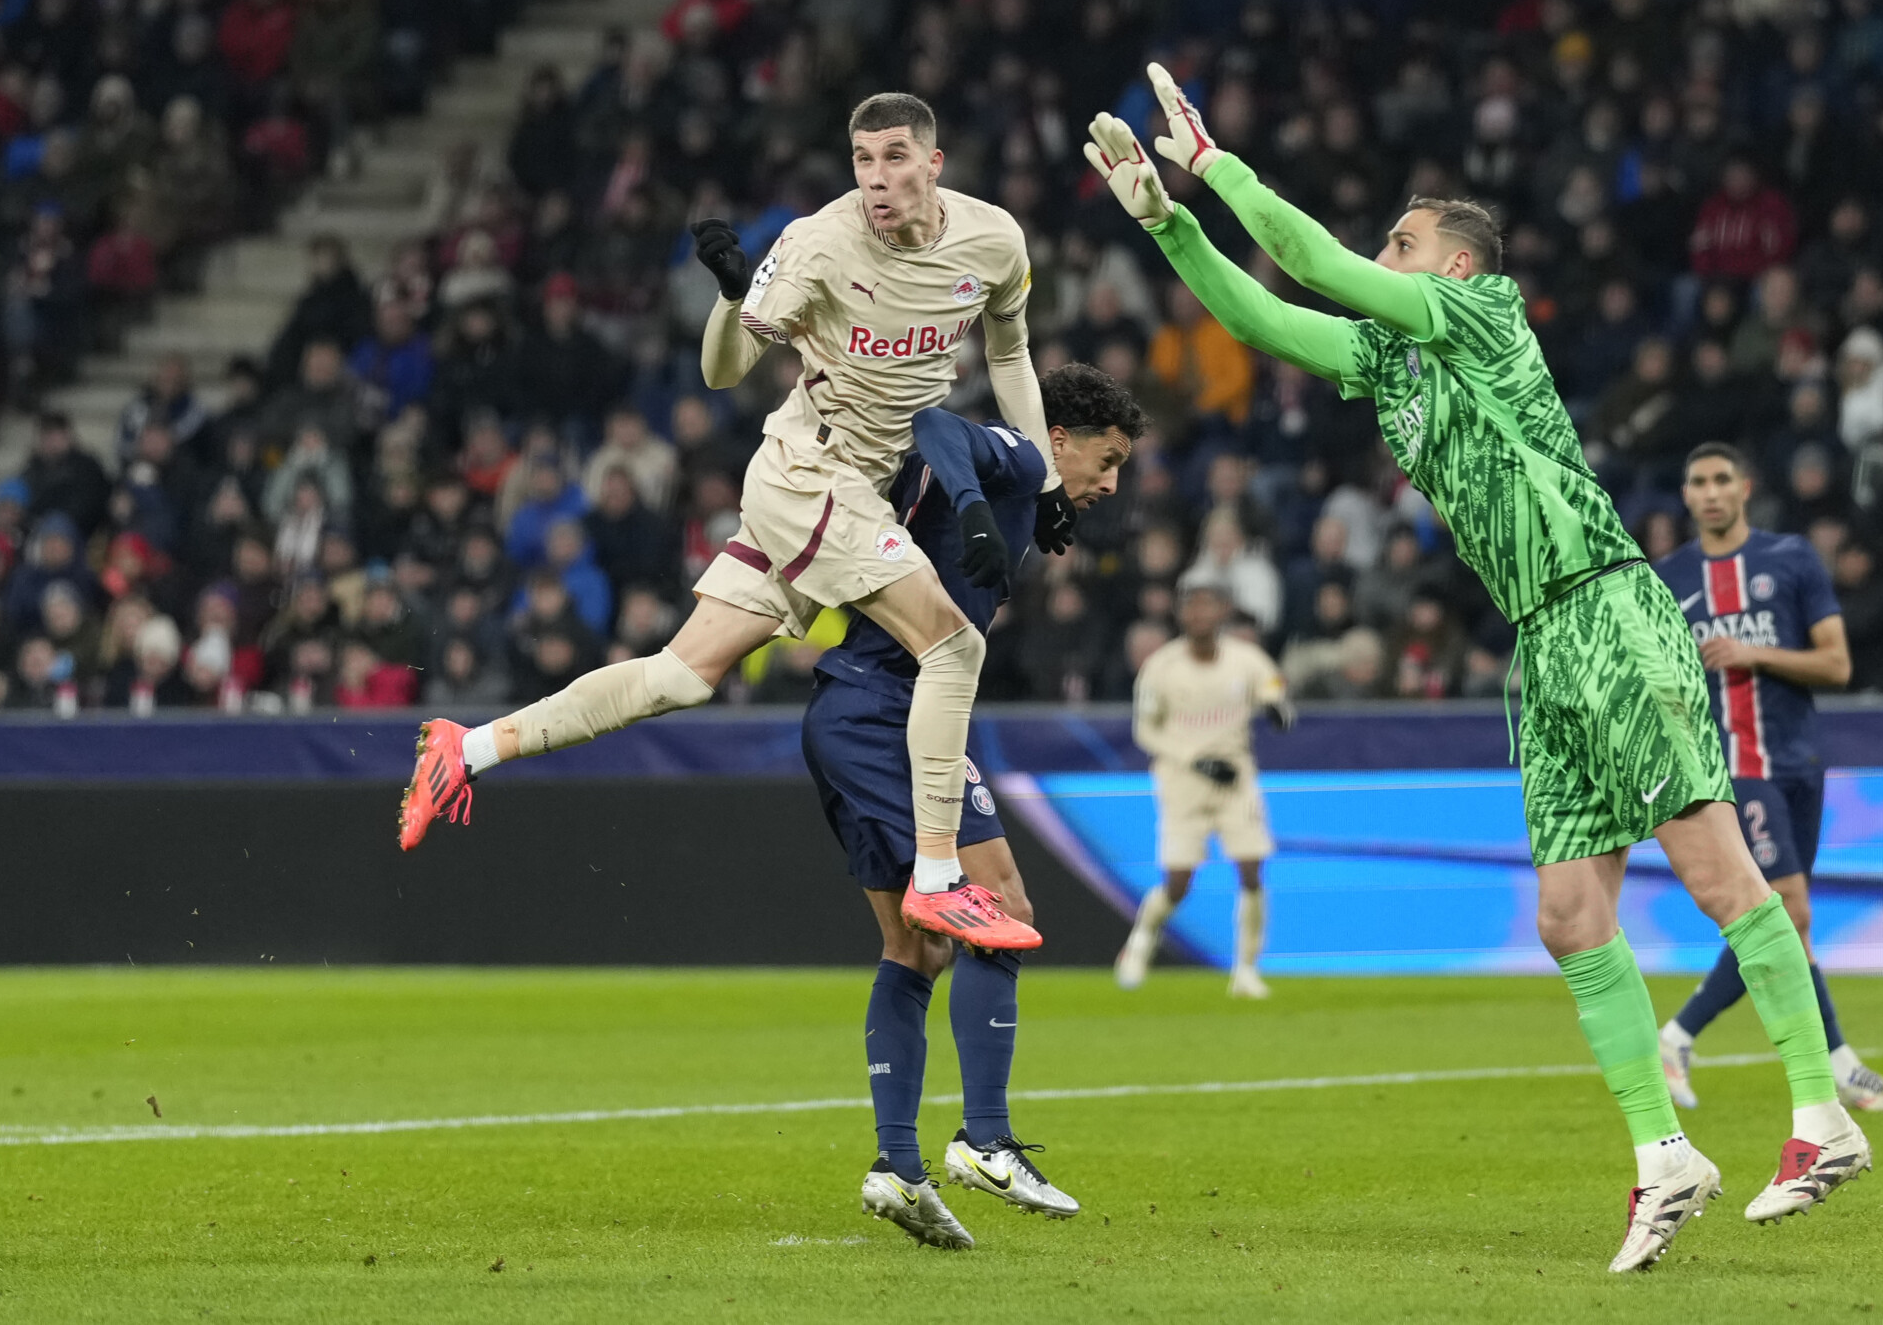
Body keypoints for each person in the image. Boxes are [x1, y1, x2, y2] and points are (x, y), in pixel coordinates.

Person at [1086, 68, 1869, 1274]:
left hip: (1609, 610)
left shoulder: (1486, 313)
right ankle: (1664, 1157)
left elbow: (1319, 266)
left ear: (1453, 267)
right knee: (1566, 919)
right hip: (1541, 645)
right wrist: (1168, 224)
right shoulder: (1391, 362)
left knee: (1715, 872)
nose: (1380, 254)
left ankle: (1819, 1118)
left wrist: (1216, 166)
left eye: (1402, 241)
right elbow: (1263, 319)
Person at [400, 94, 1074, 954]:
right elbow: (723, 371)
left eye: (895, 158)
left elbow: (1010, 353)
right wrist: (731, 294)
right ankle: (939, 878)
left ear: (934, 164)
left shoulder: (994, 242)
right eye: (863, 160)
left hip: (843, 487)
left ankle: (468, 748)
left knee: (681, 676)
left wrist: (1044, 475)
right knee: (953, 645)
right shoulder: (818, 243)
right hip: (812, 476)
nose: (876, 178)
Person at [806, 365, 1143, 1249]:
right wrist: (980, 504)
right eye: (1105, 461)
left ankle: (895, 1163)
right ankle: (985, 1138)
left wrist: (1023, 512)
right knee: (1002, 912)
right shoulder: (1019, 457)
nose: (1112, 483)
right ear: (1058, 438)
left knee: (914, 944)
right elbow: (935, 425)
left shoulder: (1033, 493)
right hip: (887, 715)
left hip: (854, 710)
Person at [1652, 445, 1883, 1118]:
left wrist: (1753, 652)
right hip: (1733, 769)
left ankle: (1684, 1040)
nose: (1710, 492)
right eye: (1697, 482)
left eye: (1720, 480)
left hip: (1798, 764)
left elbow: (1837, 664)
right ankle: (1824, 1064)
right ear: (1686, 495)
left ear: (1744, 486)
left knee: (1784, 927)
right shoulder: (1668, 578)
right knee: (1789, 912)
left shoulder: (1791, 559)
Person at [1115, 580, 1292, 1000]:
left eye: (1207, 607)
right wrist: (1193, 759)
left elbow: (1276, 696)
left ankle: (1246, 970)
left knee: (1251, 868)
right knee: (1180, 881)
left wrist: (1278, 710)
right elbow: (1144, 730)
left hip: (1235, 776)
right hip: (1182, 780)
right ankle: (1142, 938)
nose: (1199, 615)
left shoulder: (1247, 660)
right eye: (1191, 608)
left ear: (1222, 613)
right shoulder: (1162, 666)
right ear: (1181, 615)